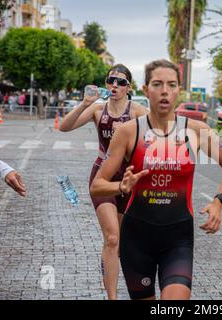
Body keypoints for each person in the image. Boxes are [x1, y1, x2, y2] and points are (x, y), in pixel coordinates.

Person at [90, 59, 222, 300]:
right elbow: (97, 186)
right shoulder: (128, 131)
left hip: (177, 239)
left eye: (171, 84)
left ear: (179, 90)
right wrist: (121, 186)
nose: (165, 91)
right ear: (145, 89)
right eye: (157, 84)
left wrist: (219, 202)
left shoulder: (196, 130)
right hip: (136, 239)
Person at [59, 64, 148, 300]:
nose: (115, 85)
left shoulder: (137, 111)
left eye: (120, 82)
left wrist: (131, 133)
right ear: (106, 84)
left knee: (121, 242)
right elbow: (64, 127)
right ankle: (112, 297)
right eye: (111, 81)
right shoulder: (98, 110)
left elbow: (153, 142)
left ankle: (115, 277)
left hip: (128, 177)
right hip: (103, 176)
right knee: (111, 238)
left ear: (129, 87)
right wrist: (85, 104)